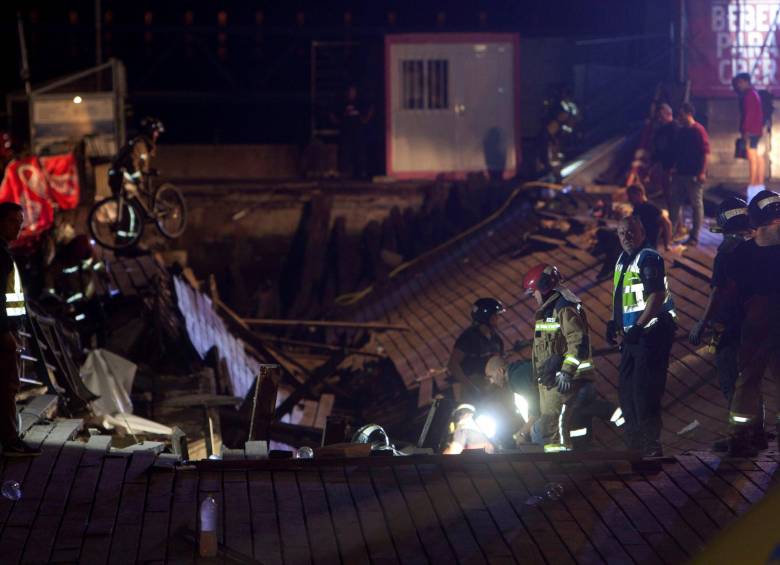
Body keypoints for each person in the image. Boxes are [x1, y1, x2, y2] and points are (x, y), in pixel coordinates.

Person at [607, 216, 677, 457]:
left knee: (644, 392)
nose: (626, 237)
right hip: (633, 338)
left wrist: (638, 326)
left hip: (651, 335)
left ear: (642, 232)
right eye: (622, 233)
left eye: (631, 232)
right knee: (627, 393)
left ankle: (651, 446)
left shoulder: (648, 257)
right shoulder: (623, 260)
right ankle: (634, 444)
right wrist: (612, 323)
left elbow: (656, 295)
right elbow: (619, 295)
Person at [724, 190, 780, 457]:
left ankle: (739, 435)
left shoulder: (741, 253)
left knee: (747, 379)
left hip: (755, 319)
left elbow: (733, 293)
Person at [522, 264, 602, 452]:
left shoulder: (563, 308)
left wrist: (566, 372)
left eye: (533, 292)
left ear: (543, 287)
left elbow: (577, 341)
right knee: (551, 427)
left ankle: (561, 465)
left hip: (562, 380)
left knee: (555, 427)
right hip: (551, 380)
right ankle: (557, 462)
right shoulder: (548, 311)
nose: (533, 296)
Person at [689, 197, 753, 407]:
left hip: (728, 323)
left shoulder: (726, 252)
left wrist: (702, 323)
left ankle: (741, 435)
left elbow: (717, 292)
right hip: (753, 322)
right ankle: (757, 430)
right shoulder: (754, 246)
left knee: (730, 379)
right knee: (752, 380)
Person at [0, 203, 40, 457]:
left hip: (8, 330)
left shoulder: (4, 253)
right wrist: (6, 333)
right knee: (7, 387)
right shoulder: (0, 256)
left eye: (20, 221)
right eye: (14, 221)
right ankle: (10, 441)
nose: (19, 226)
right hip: (3, 334)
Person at [447, 298, 505, 403]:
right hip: (471, 389)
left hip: (490, 387)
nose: (498, 318)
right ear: (487, 318)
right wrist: (471, 387)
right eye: (495, 316)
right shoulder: (468, 338)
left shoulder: (496, 340)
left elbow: (498, 362)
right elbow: (453, 365)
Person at [670, 103, 710, 246]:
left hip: (693, 174)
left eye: (681, 114)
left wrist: (702, 172)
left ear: (688, 113)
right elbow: (678, 152)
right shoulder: (681, 131)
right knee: (675, 203)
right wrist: (674, 167)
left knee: (696, 205)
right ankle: (671, 233)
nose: (679, 118)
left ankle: (694, 236)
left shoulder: (698, 130)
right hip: (680, 173)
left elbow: (706, 153)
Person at [484, 356, 540, 445]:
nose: (491, 381)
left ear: (500, 371)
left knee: (538, 431)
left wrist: (522, 433)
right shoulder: (519, 372)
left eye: (491, 376)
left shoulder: (517, 378)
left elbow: (537, 410)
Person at [108, 116, 165, 196]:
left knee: (132, 202)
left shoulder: (141, 145)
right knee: (132, 201)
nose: (157, 135)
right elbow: (132, 163)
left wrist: (147, 171)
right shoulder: (140, 145)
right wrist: (138, 179)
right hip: (125, 180)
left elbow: (140, 164)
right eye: (156, 132)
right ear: (150, 132)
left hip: (120, 179)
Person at [330, 85, 374, 179]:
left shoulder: (360, 102)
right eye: (349, 91)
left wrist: (365, 119)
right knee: (346, 152)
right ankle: (345, 173)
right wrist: (337, 121)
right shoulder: (342, 103)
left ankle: (360, 173)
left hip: (358, 131)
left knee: (359, 152)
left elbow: (371, 108)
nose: (351, 93)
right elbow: (332, 112)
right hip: (346, 132)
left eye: (353, 91)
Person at [732, 73, 765, 191]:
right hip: (756, 129)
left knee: (752, 156)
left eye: (740, 82)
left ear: (746, 82)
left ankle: (752, 183)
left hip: (751, 130)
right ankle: (758, 181)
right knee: (756, 155)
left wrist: (746, 130)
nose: (738, 85)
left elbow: (749, 114)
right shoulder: (754, 94)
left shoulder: (749, 95)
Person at [627, 184, 672, 250]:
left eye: (631, 197)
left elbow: (667, 223)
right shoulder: (637, 208)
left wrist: (667, 245)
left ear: (639, 194)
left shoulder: (650, 207)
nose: (629, 199)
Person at [649, 103, 678, 205]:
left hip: (672, 167)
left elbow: (676, 149)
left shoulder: (675, 128)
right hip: (664, 166)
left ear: (668, 114)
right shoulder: (661, 130)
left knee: (673, 195)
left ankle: (675, 219)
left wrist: (674, 166)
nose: (660, 119)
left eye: (661, 116)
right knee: (667, 194)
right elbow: (658, 147)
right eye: (659, 117)